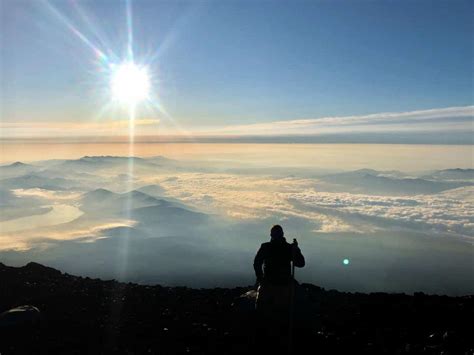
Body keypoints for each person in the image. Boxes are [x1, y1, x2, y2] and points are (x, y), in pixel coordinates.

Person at [252, 225, 305, 352]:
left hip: (276, 284)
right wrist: (295, 250)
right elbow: (300, 264)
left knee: (265, 309)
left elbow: (300, 263)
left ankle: (266, 336)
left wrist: (296, 250)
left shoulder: (272, 247)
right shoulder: (285, 248)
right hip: (278, 283)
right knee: (277, 311)